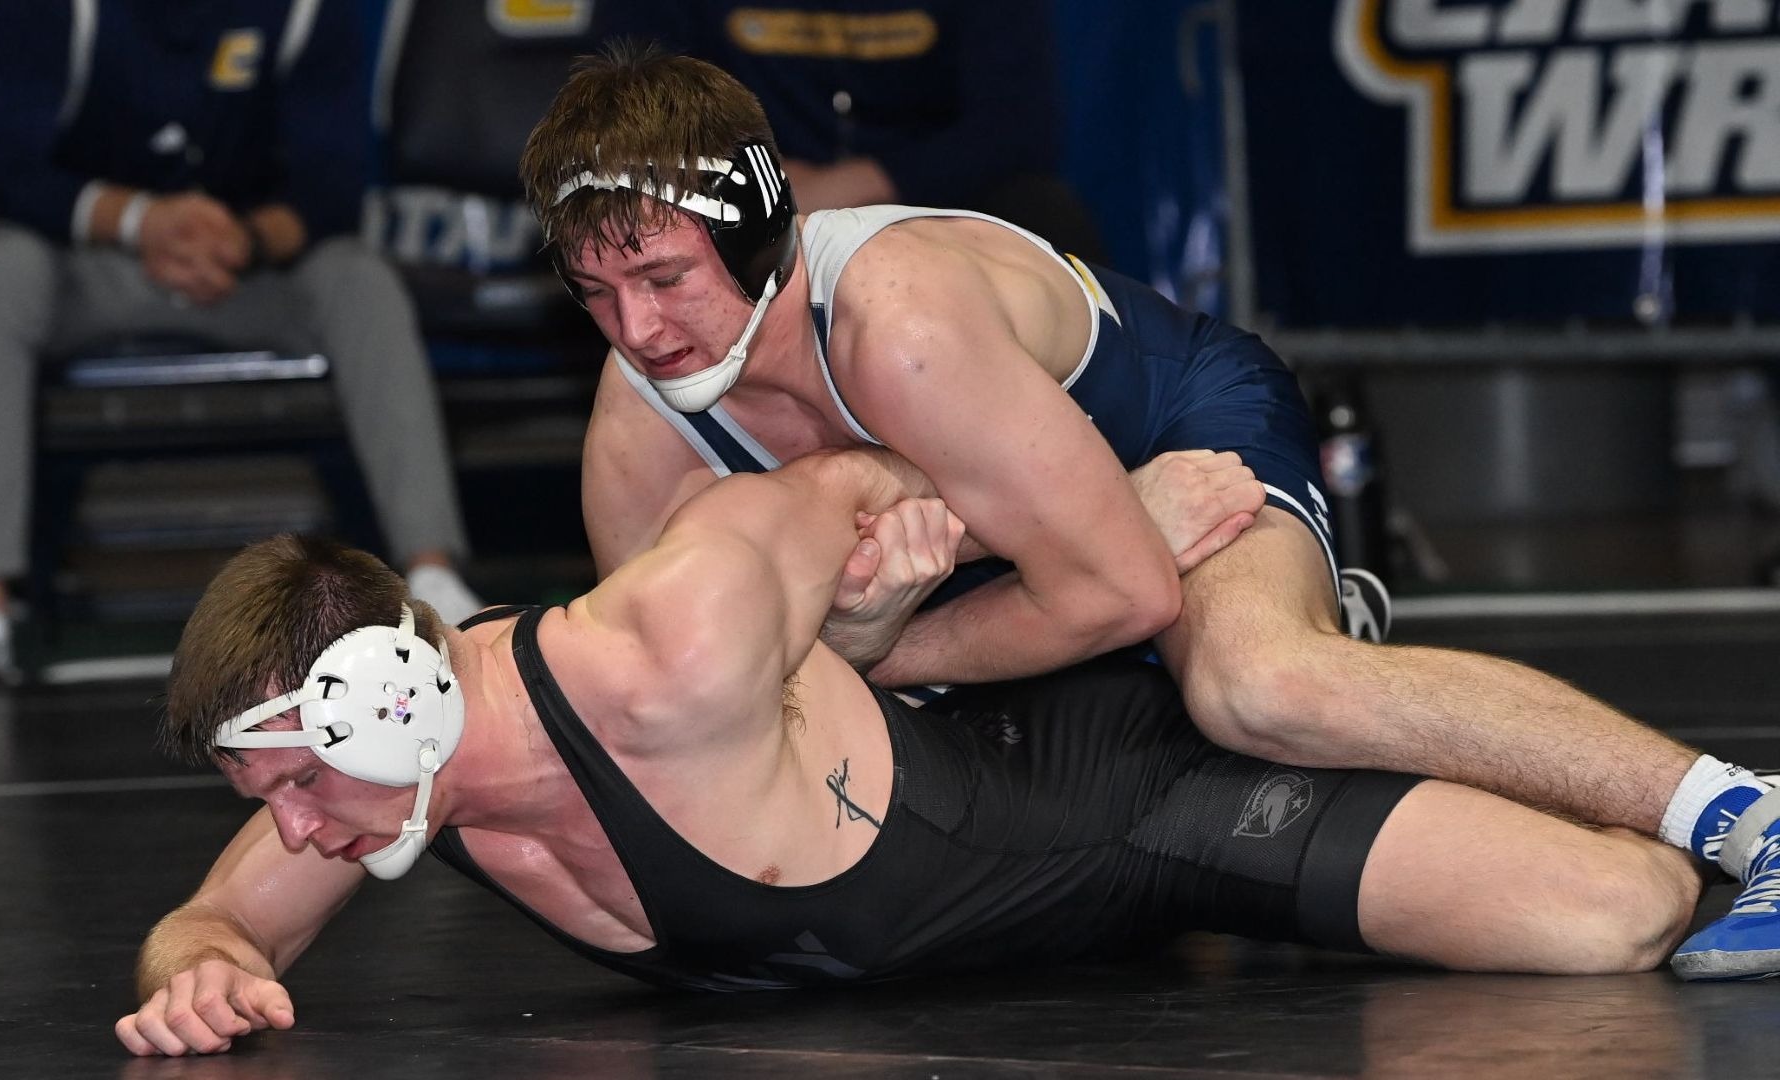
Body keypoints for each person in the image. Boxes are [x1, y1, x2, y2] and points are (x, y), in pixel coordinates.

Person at [516, 43, 1780, 979]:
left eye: (665, 277)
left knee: (1256, 682)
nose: (639, 333)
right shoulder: (639, 440)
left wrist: (877, 650)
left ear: (758, 239)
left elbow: (1124, 589)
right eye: (597, 294)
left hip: (1176, 438)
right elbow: (692, 721)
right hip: (1037, 531)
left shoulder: (895, 325)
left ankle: (1746, 812)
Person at [117, 447, 1702, 1057]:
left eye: (302, 788)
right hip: (1062, 922)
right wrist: (192, 964)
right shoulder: (379, 792)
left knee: (1609, 920)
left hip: (1134, 795)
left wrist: (1101, 529)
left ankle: (1292, 636)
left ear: (388, 701)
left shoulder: (670, 633)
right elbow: (219, 922)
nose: (301, 835)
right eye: (275, 801)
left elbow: (866, 473)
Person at [0, 0, 482, 687]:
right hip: (88, 263)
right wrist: (139, 220)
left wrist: (242, 238)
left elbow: (335, 181)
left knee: (359, 278)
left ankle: (436, 584)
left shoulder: (311, 10)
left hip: (243, 266)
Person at [593, 0, 1104, 259]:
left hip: (926, 195)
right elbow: (627, 95)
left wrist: (860, 183)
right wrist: (751, 173)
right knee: (625, 215)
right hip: (735, 187)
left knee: (1046, 214)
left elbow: (1020, 127)